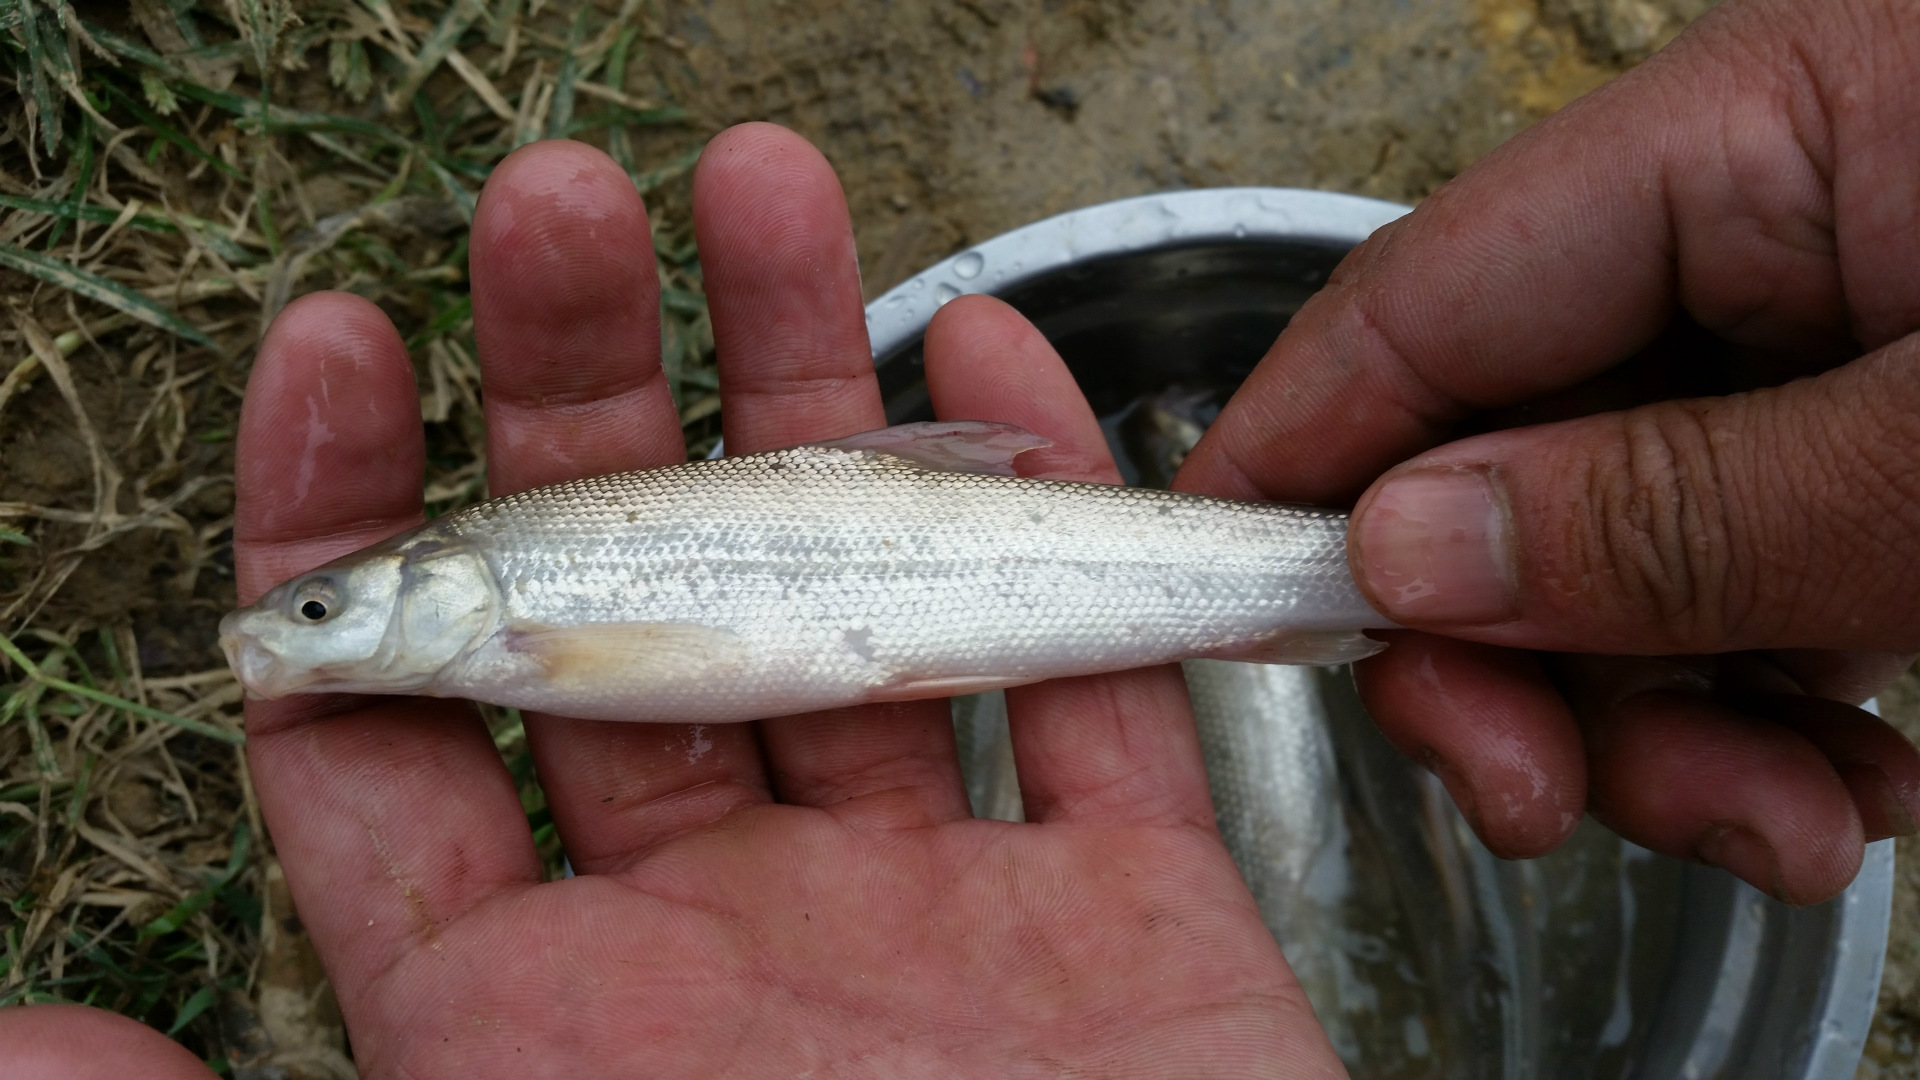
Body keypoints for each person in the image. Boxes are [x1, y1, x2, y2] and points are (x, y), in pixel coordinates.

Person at [8, 0, 1916, 1073]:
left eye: (337, 609)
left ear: (441, 593)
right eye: (324, 616)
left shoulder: (523, 597)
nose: (313, 629)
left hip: (1008, 583)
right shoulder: (517, 596)